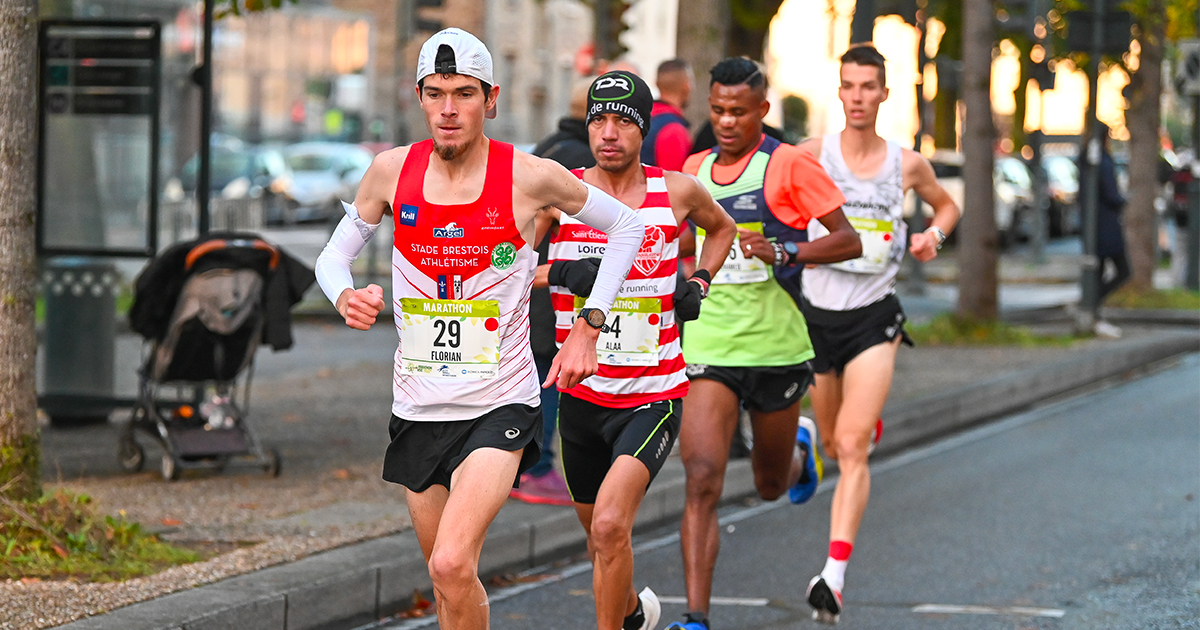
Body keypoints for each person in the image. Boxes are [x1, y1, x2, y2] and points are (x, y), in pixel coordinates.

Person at [313, 28, 645, 630]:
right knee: (451, 586)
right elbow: (331, 258)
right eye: (436, 93)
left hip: (499, 404)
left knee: (448, 563)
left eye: (464, 94)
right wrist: (343, 295)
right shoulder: (389, 172)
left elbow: (627, 227)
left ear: (490, 99)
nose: (448, 109)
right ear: (417, 96)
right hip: (417, 407)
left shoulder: (529, 176)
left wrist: (588, 326)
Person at [535, 69, 737, 630]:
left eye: (623, 121)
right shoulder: (562, 193)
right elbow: (507, 267)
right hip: (579, 393)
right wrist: (563, 271)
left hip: (653, 394)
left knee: (608, 528)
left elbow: (723, 231)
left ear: (643, 129)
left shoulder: (676, 191)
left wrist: (699, 282)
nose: (608, 132)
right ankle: (631, 615)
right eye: (599, 119)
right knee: (602, 540)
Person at [668, 57, 862, 630]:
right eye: (718, 110)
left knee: (770, 484)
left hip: (777, 346)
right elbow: (675, 239)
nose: (726, 122)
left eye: (738, 112)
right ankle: (696, 617)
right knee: (701, 476)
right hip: (710, 342)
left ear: (761, 111)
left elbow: (848, 241)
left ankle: (800, 451)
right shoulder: (694, 166)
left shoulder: (789, 166)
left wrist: (784, 251)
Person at [795, 45, 960, 624]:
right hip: (818, 316)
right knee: (836, 443)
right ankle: (821, 441)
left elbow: (946, 207)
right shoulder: (811, 155)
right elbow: (771, 200)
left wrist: (930, 240)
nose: (859, 96)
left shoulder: (906, 164)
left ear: (884, 94)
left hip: (874, 315)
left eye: (869, 86)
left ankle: (833, 577)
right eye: (849, 85)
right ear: (839, 92)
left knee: (856, 445)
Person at [512, 77, 599, 506]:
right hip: (554, 281)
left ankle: (519, 467)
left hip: (529, 274)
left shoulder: (547, 146)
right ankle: (538, 467)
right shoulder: (584, 161)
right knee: (547, 374)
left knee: (532, 369)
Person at [1089, 122, 1129, 339]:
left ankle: (1093, 311)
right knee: (1122, 270)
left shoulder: (1088, 159)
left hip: (1095, 226)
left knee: (1098, 271)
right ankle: (1090, 306)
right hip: (1106, 226)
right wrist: (1123, 200)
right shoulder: (1102, 161)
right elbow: (1111, 194)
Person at [641, 58, 694, 171]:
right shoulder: (673, 129)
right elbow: (673, 183)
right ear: (687, 86)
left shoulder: (641, 118)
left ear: (657, 84)